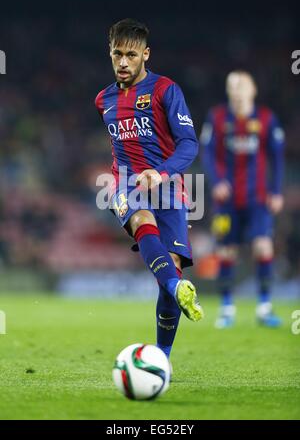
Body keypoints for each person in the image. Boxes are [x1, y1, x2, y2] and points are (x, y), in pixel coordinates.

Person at [95, 19, 204, 359]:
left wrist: (160, 172)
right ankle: (176, 284)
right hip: (126, 183)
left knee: (168, 270)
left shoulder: (165, 90)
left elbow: (189, 144)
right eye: (117, 54)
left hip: (168, 187)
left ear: (145, 54)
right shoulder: (104, 100)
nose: (123, 62)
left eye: (130, 54)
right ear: (110, 54)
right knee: (141, 218)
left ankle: (162, 359)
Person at [201, 70, 285, 328]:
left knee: (263, 246)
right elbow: (207, 152)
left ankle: (264, 307)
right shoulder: (216, 118)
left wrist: (277, 191)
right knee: (226, 251)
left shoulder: (266, 119)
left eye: (241, 86)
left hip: (258, 199)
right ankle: (226, 308)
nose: (236, 91)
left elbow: (277, 157)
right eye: (232, 87)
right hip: (226, 202)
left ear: (252, 90)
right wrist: (217, 182)